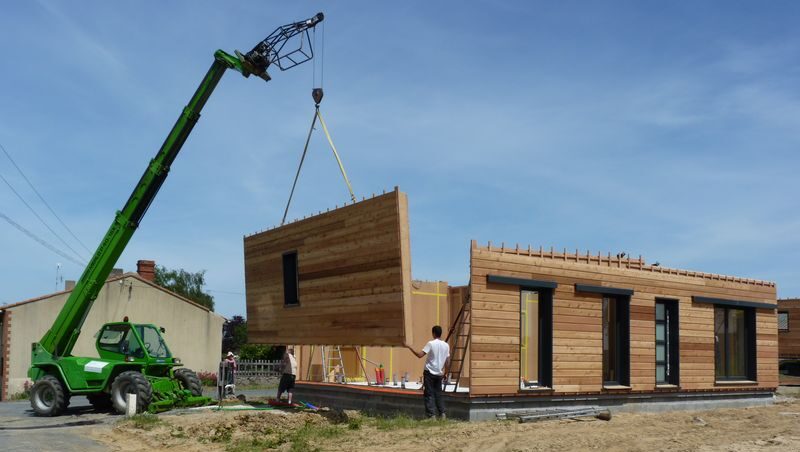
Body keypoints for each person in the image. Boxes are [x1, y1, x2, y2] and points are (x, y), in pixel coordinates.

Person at [406, 325, 450, 419]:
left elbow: (419, 355)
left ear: (433, 333)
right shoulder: (446, 345)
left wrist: (410, 347)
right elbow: (447, 361)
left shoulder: (431, 343)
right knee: (438, 394)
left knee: (429, 394)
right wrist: (445, 373)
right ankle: (442, 414)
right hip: (439, 374)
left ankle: (431, 416)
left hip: (429, 372)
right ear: (440, 333)